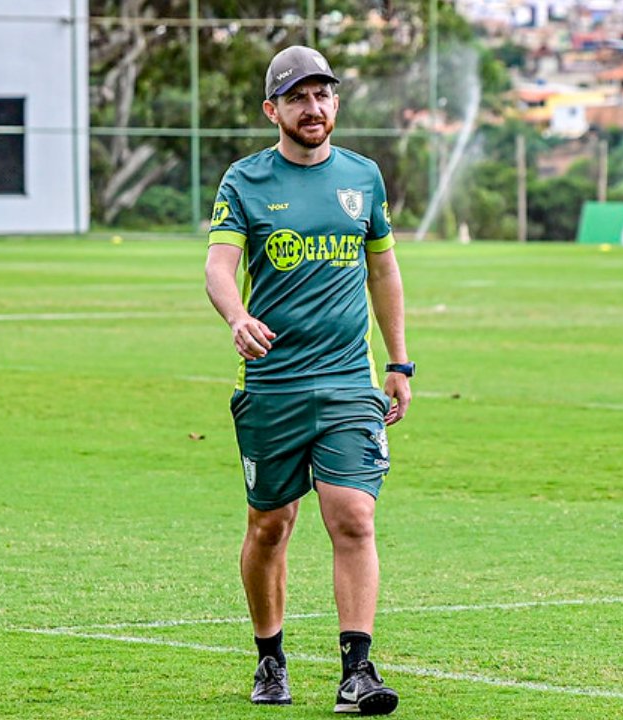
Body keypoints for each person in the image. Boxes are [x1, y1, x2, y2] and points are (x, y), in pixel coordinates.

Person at [204, 45, 413, 716]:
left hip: (349, 381)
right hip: (273, 385)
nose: (313, 107)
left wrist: (399, 361)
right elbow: (217, 266)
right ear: (274, 110)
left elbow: (384, 270)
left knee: (353, 516)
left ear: (336, 103)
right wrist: (236, 315)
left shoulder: (364, 178)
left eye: (322, 94)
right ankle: (270, 658)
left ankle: (358, 672)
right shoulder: (244, 181)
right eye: (297, 97)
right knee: (271, 525)